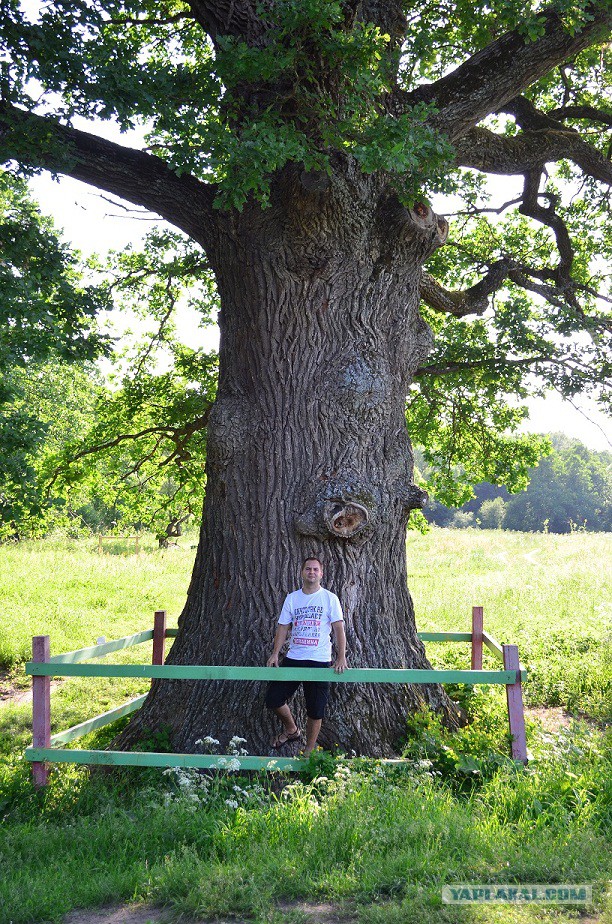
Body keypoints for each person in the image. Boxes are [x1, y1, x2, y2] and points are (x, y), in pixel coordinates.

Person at [265, 556, 348, 756]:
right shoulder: (293, 598)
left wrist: (341, 657)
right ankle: (292, 730)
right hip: (295, 657)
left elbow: (338, 629)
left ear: (321, 573)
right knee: (273, 698)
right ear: (302, 572)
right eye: (308, 569)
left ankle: (309, 751)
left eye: (315, 569)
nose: (311, 572)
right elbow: (283, 627)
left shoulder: (330, 598)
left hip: (319, 659)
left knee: (315, 709)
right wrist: (275, 654)